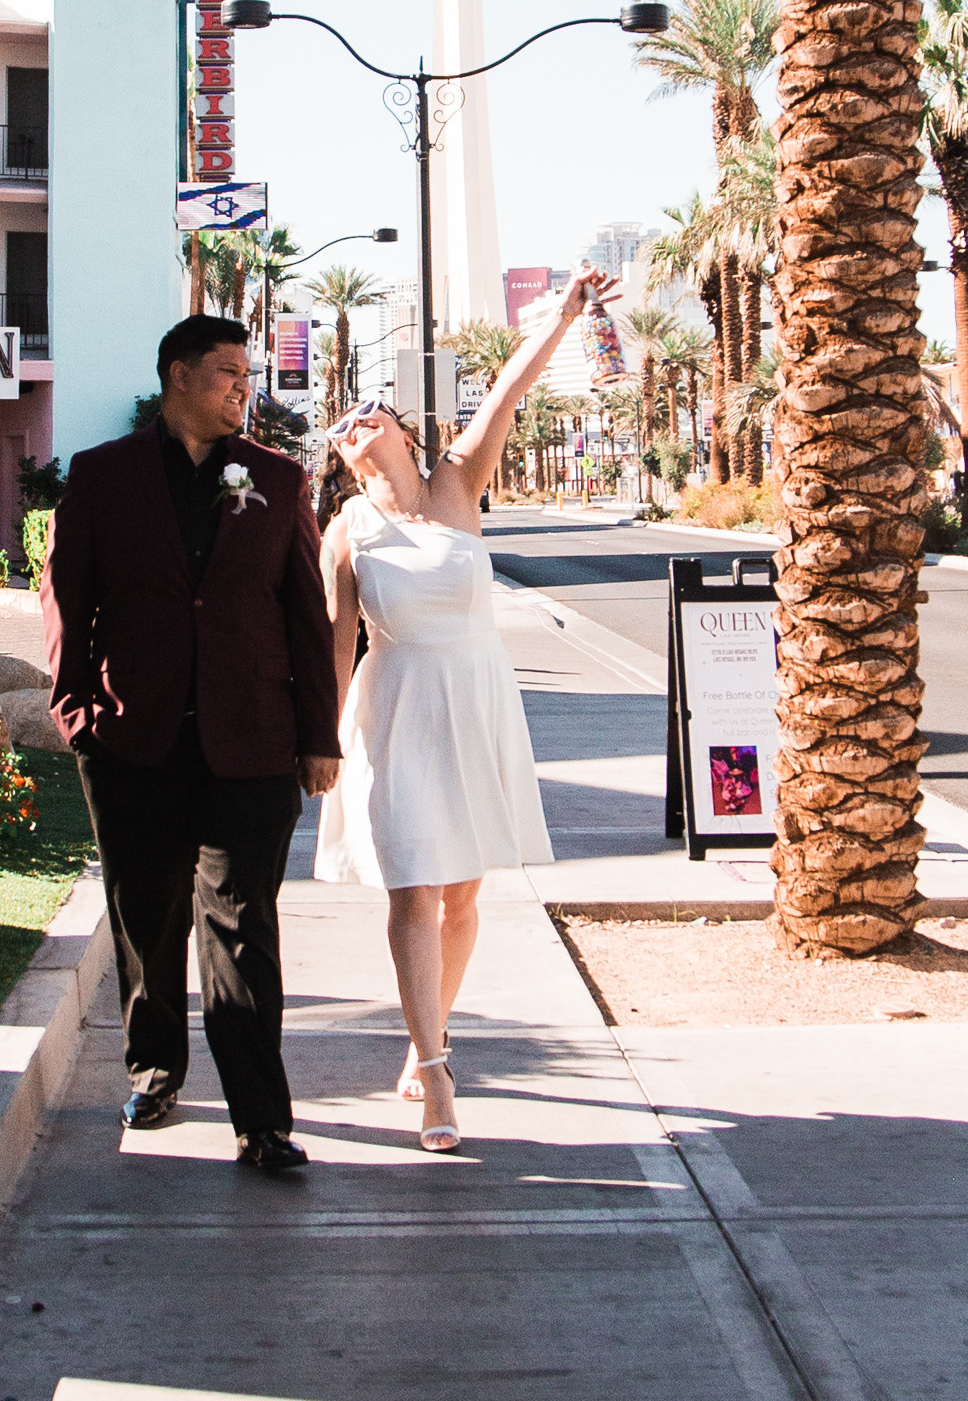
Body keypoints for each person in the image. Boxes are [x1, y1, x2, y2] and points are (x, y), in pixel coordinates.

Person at [315, 270, 613, 1150]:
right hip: (397, 712)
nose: (357, 423)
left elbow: (513, 384)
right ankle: (437, 1068)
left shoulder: (459, 481)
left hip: (477, 703)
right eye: (344, 425)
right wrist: (322, 743)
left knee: (463, 896)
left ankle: (427, 1032)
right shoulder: (344, 532)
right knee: (413, 890)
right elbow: (338, 644)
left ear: (406, 431)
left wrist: (561, 317)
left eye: (372, 413)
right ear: (342, 458)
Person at [41, 313, 342, 1178]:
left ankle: (261, 1121)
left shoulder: (278, 481)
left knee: (244, 927)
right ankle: (155, 1071)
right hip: (133, 741)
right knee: (148, 918)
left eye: (247, 372)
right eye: (225, 372)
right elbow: (70, 598)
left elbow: (304, 614)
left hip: (252, 742)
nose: (242, 386)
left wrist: (317, 736)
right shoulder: (104, 477)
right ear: (178, 375)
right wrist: (75, 711)